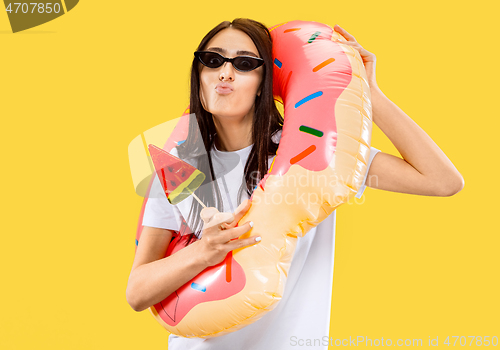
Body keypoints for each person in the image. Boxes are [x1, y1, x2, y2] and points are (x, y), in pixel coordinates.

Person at [126, 18, 464, 350]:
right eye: (213, 61)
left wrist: (370, 93)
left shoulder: (313, 150)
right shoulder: (180, 166)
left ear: (265, 81)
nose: (225, 73)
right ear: (198, 73)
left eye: (244, 64)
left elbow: (441, 180)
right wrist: (205, 250)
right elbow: (138, 292)